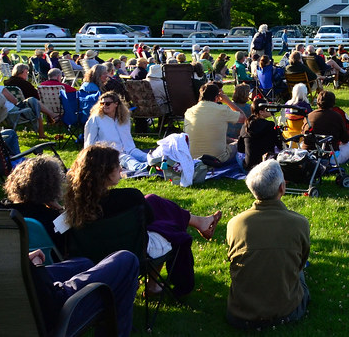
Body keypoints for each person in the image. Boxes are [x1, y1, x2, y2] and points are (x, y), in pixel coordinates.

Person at [0, 148, 141, 337]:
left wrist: (25, 261)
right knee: (126, 260)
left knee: (83, 263)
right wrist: (34, 267)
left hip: (8, 293)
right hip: (43, 309)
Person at [64, 144, 221, 299]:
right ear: (104, 172)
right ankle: (152, 284)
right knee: (168, 228)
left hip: (93, 256)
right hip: (133, 254)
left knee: (152, 200)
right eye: (116, 165)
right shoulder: (130, 198)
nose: (120, 168)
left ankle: (199, 221)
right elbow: (150, 219)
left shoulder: (74, 204)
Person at [226, 159, 310, 329]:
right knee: (300, 272)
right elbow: (300, 263)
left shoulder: (235, 223)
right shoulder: (299, 223)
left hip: (240, 314)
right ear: (282, 188)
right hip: (287, 312)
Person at [0, 154, 67, 247]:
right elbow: (66, 244)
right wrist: (60, 209)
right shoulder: (52, 219)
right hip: (46, 261)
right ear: (52, 186)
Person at [84, 92, 152, 173]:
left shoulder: (124, 119)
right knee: (128, 160)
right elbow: (89, 142)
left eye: (107, 103)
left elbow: (128, 141)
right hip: (110, 153)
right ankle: (145, 168)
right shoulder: (95, 119)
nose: (104, 106)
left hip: (129, 149)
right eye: (102, 103)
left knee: (145, 156)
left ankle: (158, 162)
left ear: (116, 104)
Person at [184, 82, 248, 166]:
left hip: (193, 157)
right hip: (218, 158)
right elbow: (244, 118)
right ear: (217, 97)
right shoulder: (222, 110)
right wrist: (227, 101)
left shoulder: (189, 111)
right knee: (243, 142)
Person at [303, 90, 349, 164]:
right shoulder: (336, 116)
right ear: (333, 103)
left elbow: (304, 136)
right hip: (330, 157)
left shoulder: (309, 116)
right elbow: (345, 139)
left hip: (309, 155)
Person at [239, 101, 282, 170]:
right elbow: (280, 145)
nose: (270, 109)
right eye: (267, 108)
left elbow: (240, 148)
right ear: (261, 112)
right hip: (266, 165)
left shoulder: (246, 126)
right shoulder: (270, 125)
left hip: (249, 167)